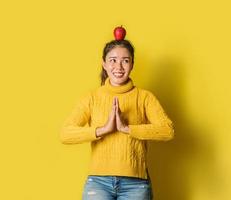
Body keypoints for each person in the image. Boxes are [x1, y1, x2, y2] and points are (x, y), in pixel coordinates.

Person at [60, 31, 174, 200]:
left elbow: (168, 130)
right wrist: (102, 130)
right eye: (113, 60)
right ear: (104, 64)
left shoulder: (144, 97)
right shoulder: (91, 98)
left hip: (135, 184)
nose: (119, 67)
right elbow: (65, 134)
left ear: (132, 64)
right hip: (98, 183)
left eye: (125, 61)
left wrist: (127, 128)